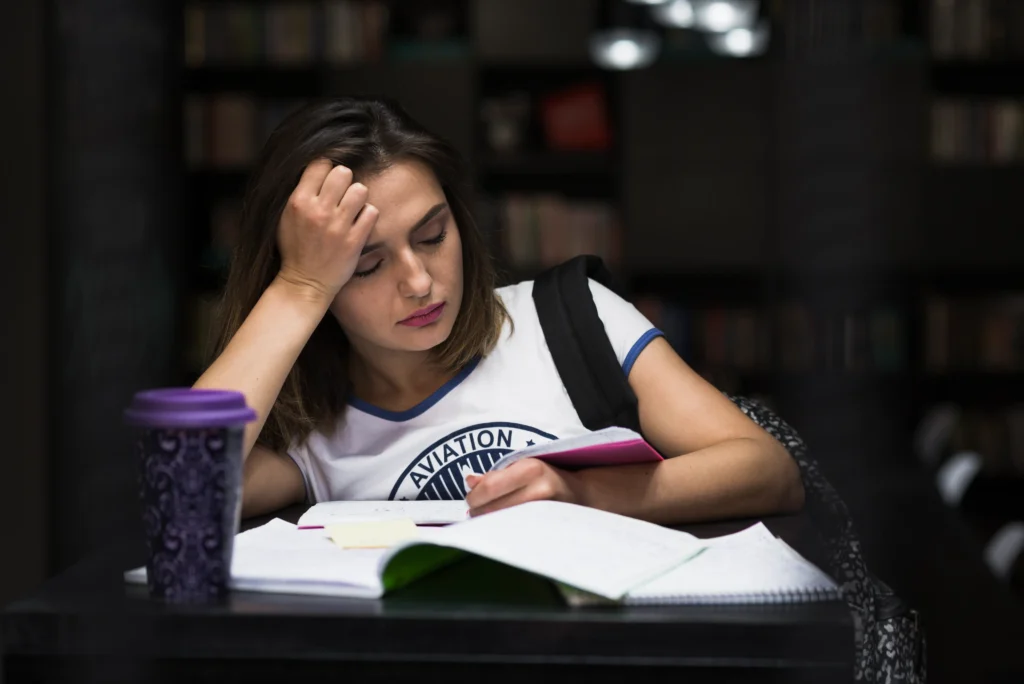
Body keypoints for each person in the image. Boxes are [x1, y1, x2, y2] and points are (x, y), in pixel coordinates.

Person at [196, 97, 804, 522]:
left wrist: (581, 493)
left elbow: (768, 471)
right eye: (366, 265)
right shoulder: (313, 438)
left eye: (433, 236)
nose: (418, 282)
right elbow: (185, 493)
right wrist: (299, 285)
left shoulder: (569, 318)